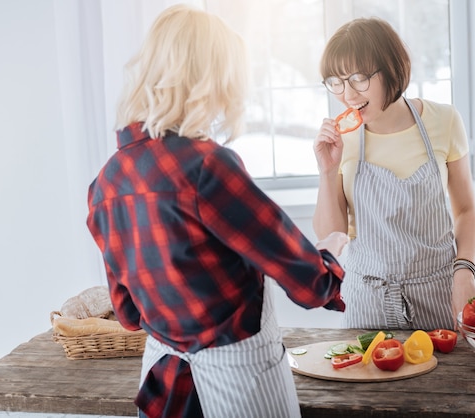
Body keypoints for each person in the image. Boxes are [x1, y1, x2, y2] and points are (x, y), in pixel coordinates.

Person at [86, 5, 348, 418]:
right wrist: (330, 251)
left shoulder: (106, 184)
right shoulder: (208, 166)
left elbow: (129, 314)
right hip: (239, 388)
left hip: (164, 385)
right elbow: (310, 285)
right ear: (213, 79)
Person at [313, 17, 475, 331]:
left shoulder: (444, 121)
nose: (347, 94)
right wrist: (326, 171)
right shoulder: (339, 139)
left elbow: (466, 210)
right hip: (366, 302)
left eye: (359, 78)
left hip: (439, 298)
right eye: (336, 81)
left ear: (391, 68)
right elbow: (331, 236)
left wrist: (464, 273)